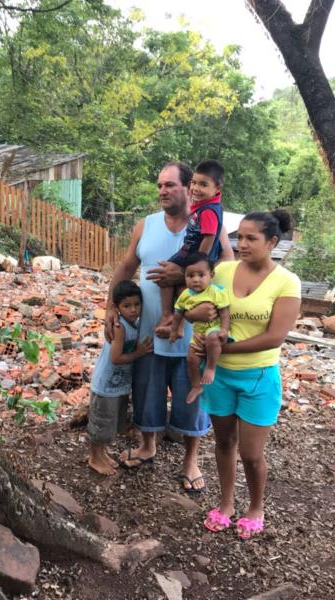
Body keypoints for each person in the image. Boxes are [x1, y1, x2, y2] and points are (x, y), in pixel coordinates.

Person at [104, 161, 233, 494]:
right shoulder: (145, 225)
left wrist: (186, 277)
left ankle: (191, 459)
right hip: (149, 330)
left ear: (189, 187)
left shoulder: (209, 223)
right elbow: (127, 266)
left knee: (191, 395)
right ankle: (148, 444)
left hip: (194, 336)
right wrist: (109, 307)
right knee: (147, 391)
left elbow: (229, 268)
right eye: (159, 185)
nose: (162, 191)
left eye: (170, 185)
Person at [187, 210, 300, 538]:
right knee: (224, 443)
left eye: (252, 238)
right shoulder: (221, 270)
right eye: (240, 237)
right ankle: (226, 504)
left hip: (258, 378)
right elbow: (198, 307)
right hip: (218, 376)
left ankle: (255, 507)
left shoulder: (286, 281)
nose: (242, 244)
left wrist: (219, 350)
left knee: (251, 455)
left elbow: (275, 336)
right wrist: (197, 327)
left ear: (272, 242)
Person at [88, 281, 153, 475]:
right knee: (101, 423)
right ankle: (94, 457)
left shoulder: (135, 323)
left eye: (136, 304)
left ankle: (102, 453)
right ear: (117, 308)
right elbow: (116, 358)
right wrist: (139, 352)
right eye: (127, 306)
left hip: (118, 385)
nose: (133, 310)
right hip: (106, 385)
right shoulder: (119, 326)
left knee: (111, 422)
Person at [156, 160, 225, 340]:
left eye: (203, 184)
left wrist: (197, 264)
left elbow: (209, 237)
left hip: (194, 254)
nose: (196, 188)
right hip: (192, 251)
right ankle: (178, 325)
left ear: (217, 188)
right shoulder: (205, 206)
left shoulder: (209, 211)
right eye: (194, 183)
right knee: (182, 288)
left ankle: (167, 316)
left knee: (165, 275)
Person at [166, 252, 230, 405]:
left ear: (211, 275)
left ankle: (210, 368)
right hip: (197, 334)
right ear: (184, 276)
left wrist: (224, 329)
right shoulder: (185, 295)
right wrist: (174, 330)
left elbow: (224, 312)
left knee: (213, 338)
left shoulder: (215, 292)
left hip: (213, 329)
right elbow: (178, 314)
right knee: (191, 360)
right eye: (190, 275)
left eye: (201, 275)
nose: (196, 279)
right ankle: (196, 385)